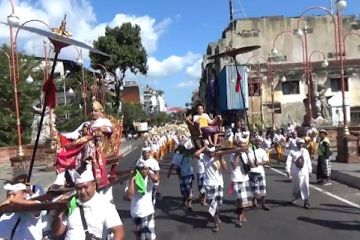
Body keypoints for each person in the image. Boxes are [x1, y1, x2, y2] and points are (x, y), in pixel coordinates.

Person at [51, 162, 124, 240]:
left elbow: (119, 231)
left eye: (85, 187)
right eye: (79, 188)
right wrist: (60, 212)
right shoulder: (71, 203)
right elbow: (57, 232)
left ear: (94, 185)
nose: (82, 191)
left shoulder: (105, 205)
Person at [54, 100, 113, 188]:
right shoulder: (86, 123)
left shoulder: (104, 121)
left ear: (101, 111)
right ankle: (61, 179)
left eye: (95, 111)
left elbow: (110, 129)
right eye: (92, 111)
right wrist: (61, 135)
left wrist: (100, 129)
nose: (93, 113)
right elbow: (74, 134)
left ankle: (85, 168)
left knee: (88, 145)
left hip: (96, 146)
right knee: (64, 150)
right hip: (82, 144)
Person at [194, 144, 227, 232]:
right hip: (209, 184)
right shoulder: (204, 157)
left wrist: (221, 158)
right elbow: (195, 154)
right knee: (214, 205)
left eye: (213, 152)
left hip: (219, 184)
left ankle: (217, 218)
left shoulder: (218, 157)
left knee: (217, 205)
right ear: (207, 152)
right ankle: (216, 223)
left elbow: (225, 168)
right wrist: (204, 147)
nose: (211, 154)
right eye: (209, 152)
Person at [126, 159, 158, 240]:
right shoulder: (132, 179)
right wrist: (132, 180)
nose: (144, 170)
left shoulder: (150, 178)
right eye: (142, 169)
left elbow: (156, 179)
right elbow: (130, 195)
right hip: (136, 212)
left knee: (151, 237)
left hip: (148, 211)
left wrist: (149, 171)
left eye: (146, 168)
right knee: (141, 236)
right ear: (138, 170)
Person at [230, 137, 255, 228]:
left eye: (243, 144)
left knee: (244, 201)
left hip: (245, 178)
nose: (241, 145)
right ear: (237, 144)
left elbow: (252, 165)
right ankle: (240, 219)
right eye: (240, 143)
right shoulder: (232, 154)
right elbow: (234, 166)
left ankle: (241, 215)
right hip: (236, 179)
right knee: (240, 200)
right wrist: (237, 154)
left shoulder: (247, 153)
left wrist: (248, 154)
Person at [167, 140, 194, 210]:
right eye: (181, 148)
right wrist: (169, 173)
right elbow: (172, 165)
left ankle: (189, 204)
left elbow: (195, 149)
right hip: (182, 175)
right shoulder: (177, 156)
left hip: (189, 174)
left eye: (182, 147)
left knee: (189, 189)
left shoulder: (188, 154)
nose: (182, 149)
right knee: (184, 190)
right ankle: (184, 199)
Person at [286, 138, 312, 209]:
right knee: (296, 186)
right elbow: (288, 161)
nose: (301, 145)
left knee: (305, 186)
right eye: (299, 143)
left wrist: (310, 170)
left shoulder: (305, 151)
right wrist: (288, 170)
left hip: (304, 171)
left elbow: (308, 161)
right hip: (295, 171)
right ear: (296, 144)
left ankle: (306, 202)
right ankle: (294, 198)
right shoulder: (292, 151)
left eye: (302, 143)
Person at [249, 136, 270, 211]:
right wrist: (253, 163)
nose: (258, 142)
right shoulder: (250, 150)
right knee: (253, 188)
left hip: (260, 171)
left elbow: (266, 161)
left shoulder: (263, 151)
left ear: (261, 143)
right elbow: (249, 160)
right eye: (257, 141)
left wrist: (260, 163)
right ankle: (253, 202)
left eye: (259, 141)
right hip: (252, 171)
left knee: (262, 188)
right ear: (254, 142)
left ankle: (263, 203)